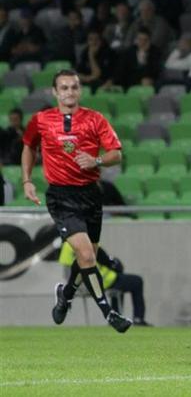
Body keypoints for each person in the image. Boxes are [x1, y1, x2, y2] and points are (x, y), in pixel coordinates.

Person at [21, 70, 132, 332]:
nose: (69, 92)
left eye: (74, 87)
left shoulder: (95, 119)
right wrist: (27, 180)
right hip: (61, 196)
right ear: (55, 92)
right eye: (64, 88)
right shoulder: (41, 120)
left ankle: (66, 293)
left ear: (79, 91)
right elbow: (29, 146)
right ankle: (109, 313)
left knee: (88, 257)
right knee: (84, 254)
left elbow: (116, 153)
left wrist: (96, 160)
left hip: (91, 195)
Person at [59, 242, 150, 326]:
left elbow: (67, 273)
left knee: (120, 284)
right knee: (137, 281)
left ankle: (116, 315)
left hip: (85, 285)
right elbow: (106, 260)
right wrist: (115, 263)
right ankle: (137, 319)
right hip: (104, 281)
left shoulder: (67, 246)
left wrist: (77, 287)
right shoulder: (88, 241)